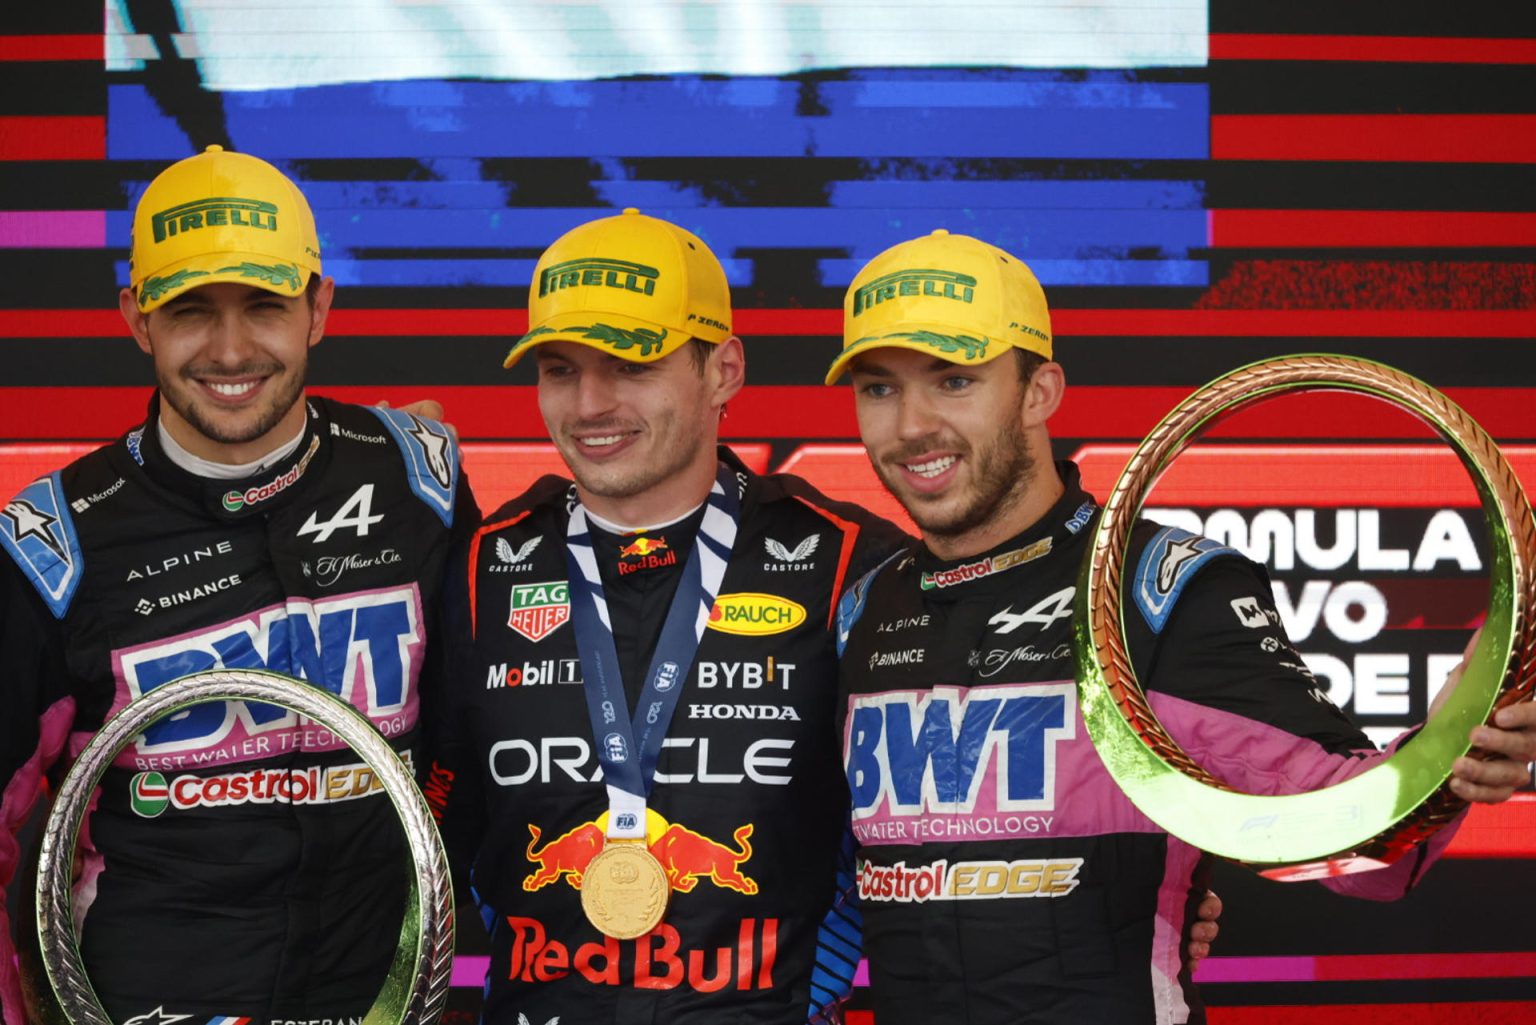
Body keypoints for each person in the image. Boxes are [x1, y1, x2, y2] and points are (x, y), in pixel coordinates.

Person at [825, 229, 1536, 1024]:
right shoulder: (861, 604)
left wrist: (1456, 746)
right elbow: (814, 880)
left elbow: (1368, 854)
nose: (911, 424)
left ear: (1039, 391)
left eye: (955, 380)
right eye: (878, 388)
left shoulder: (1158, 588)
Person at [0, 146, 476, 1024]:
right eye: (189, 310)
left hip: (386, 988)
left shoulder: (420, 476)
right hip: (151, 996)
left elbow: (480, 734)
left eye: (264, 304)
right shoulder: (53, 540)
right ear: (137, 318)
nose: (230, 349)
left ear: (318, 308)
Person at [424, 208, 914, 1024]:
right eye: (559, 368)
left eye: (628, 365)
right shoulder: (480, 567)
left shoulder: (848, 564)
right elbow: (430, 843)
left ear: (722, 370)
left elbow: (933, 836)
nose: (589, 403)